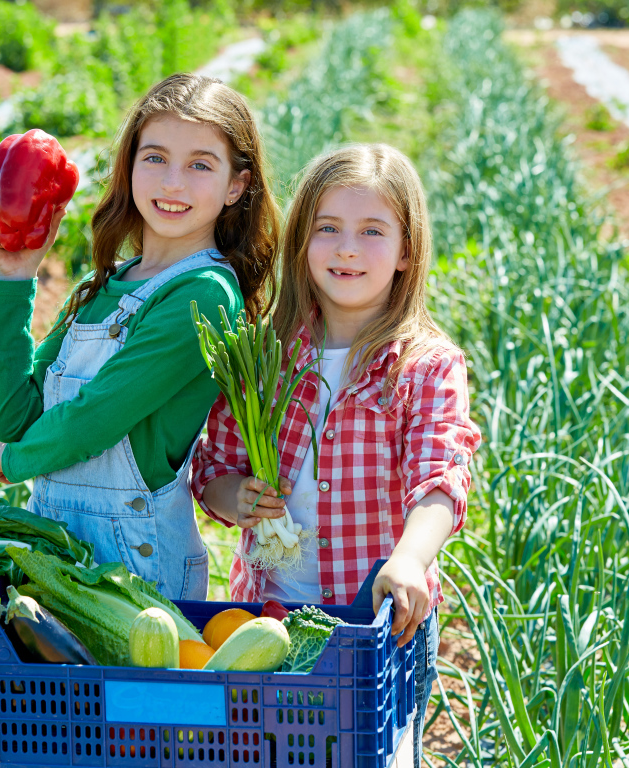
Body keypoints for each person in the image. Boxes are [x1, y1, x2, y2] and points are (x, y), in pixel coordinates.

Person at [192, 143, 481, 766]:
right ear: (303, 243)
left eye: (372, 231)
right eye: (328, 229)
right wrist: (231, 495)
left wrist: (408, 560)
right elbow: (214, 464)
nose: (347, 248)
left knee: (367, 752)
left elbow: (440, 477)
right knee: (268, 750)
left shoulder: (423, 365)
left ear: (406, 251)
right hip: (270, 612)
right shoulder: (266, 350)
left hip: (374, 623)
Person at [0, 73, 280, 601]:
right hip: (59, 559)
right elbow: (14, 418)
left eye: (200, 165)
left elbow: (95, 418)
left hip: (140, 567)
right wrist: (14, 281)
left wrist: (16, 460)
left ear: (237, 185)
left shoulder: (205, 296)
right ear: (130, 164)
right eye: (155, 157)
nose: (172, 183)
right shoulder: (103, 285)